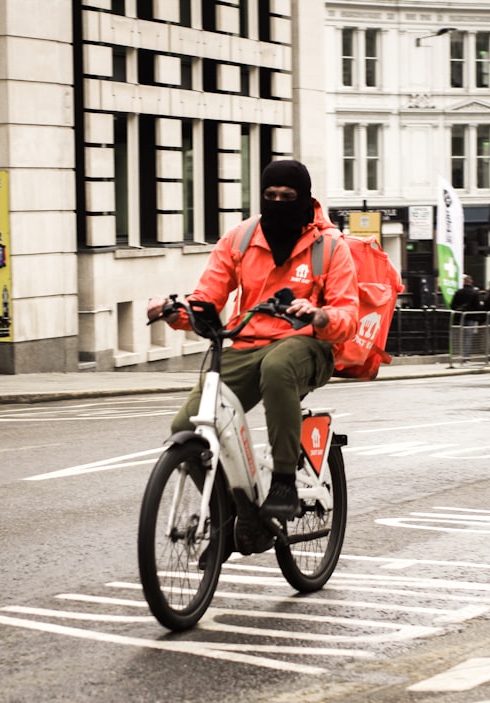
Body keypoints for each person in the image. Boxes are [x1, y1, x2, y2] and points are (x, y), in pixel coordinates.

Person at [146, 159, 359, 553]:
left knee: (279, 367)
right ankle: (234, 517)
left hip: (309, 345)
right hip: (247, 344)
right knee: (187, 425)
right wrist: (175, 312)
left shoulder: (330, 247)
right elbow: (207, 299)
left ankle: (281, 480)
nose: (278, 203)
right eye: (270, 196)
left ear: (305, 199)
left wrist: (318, 314)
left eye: (288, 198)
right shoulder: (240, 239)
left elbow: (348, 316)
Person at [450, 275, 482, 361]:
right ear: (471, 282)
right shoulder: (475, 293)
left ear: (464, 282)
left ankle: (458, 354)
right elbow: (477, 307)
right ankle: (466, 356)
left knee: (459, 336)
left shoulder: (458, 292)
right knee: (468, 337)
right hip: (471, 317)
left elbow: (452, 305)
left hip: (460, 317)